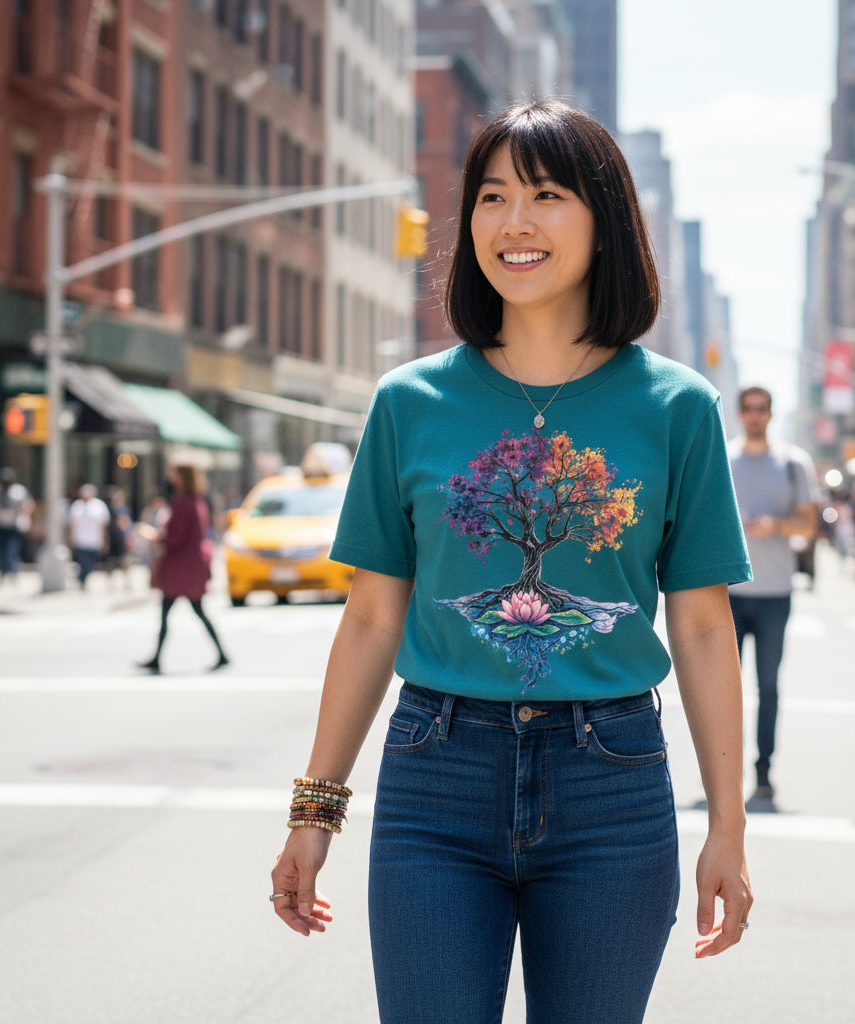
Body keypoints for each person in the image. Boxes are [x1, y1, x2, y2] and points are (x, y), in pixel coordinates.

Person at [269, 100, 754, 1023]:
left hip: (610, 781)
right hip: (434, 778)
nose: (513, 223)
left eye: (546, 196)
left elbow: (699, 625)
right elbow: (373, 616)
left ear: (604, 222)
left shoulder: (677, 408)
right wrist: (314, 810)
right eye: (490, 198)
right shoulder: (408, 402)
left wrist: (727, 824)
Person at [726, 386, 820, 803]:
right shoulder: (724, 458)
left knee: (768, 687)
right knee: (725, 688)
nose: (755, 415)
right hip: (727, 593)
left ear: (771, 413)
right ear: (740, 412)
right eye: (748, 409)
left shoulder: (794, 463)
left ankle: (764, 772)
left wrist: (775, 526)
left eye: (762, 409)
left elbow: (808, 526)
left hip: (775, 594)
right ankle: (724, 773)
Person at [137, 464, 228, 673]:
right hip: (189, 567)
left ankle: (158, 658)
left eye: (173, 473)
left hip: (181, 568)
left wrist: (154, 535)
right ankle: (220, 654)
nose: (170, 477)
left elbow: (175, 537)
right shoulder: (196, 501)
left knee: (177, 612)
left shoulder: (184, 503)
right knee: (192, 611)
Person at [0, 467, 34, 581]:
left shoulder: (18, 491)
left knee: (12, 549)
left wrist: (24, 516)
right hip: (1, 525)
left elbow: (28, 505)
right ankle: (4, 570)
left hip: (13, 524)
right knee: (0, 549)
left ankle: (13, 571)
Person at [68, 483, 110, 588]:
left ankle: (82, 578)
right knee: (83, 561)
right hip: (81, 539)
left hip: (94, 539)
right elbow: (73, 524)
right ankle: (81, 579)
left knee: (90, 562)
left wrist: (104, 539)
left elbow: (103, 524)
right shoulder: (77, 506)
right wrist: (71, 537)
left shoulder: (99, 505)